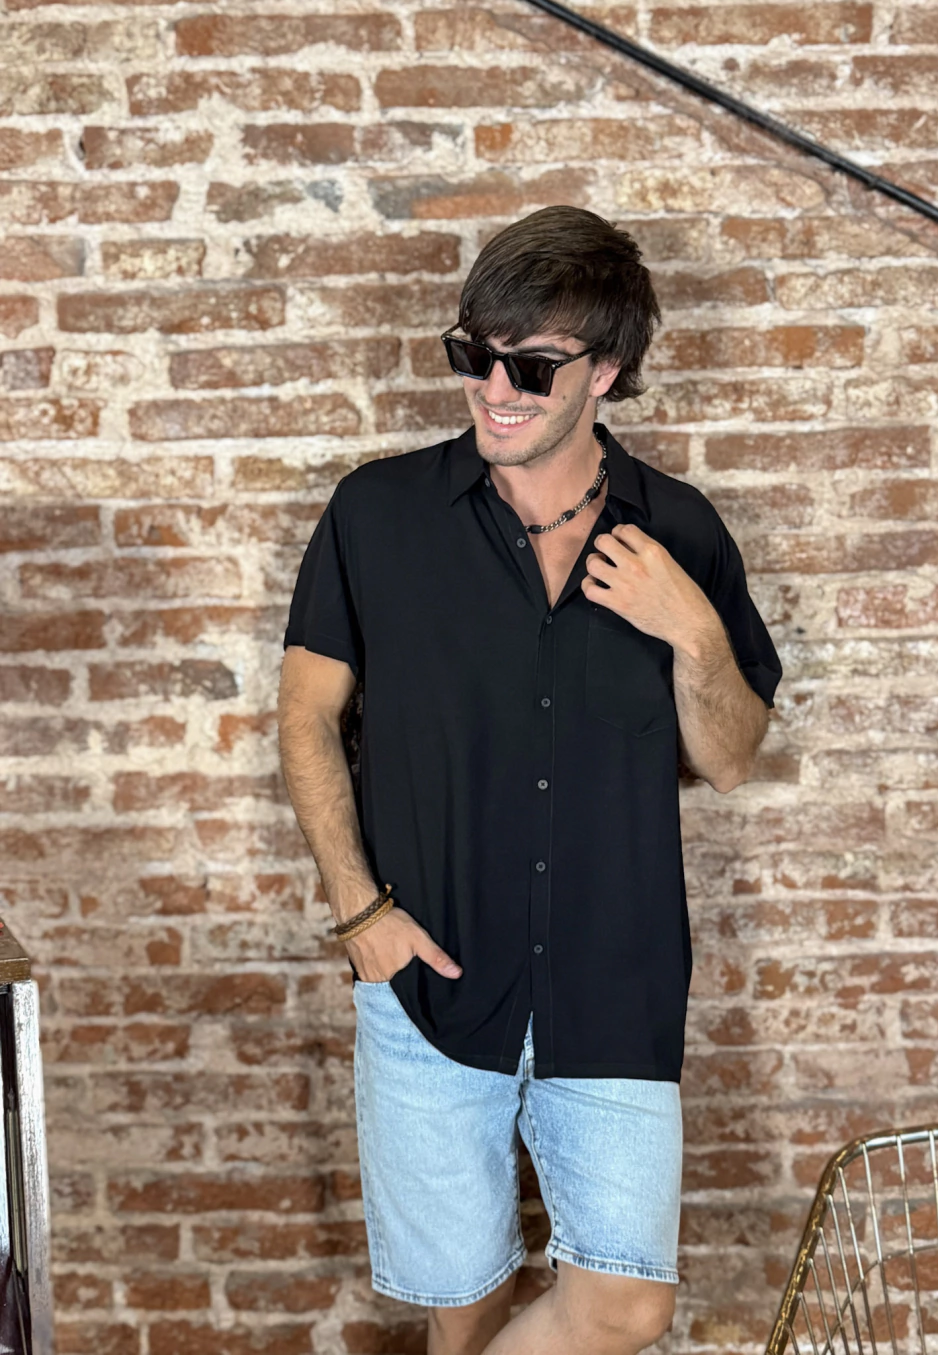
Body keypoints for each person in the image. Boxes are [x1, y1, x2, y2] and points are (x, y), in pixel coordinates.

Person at [278, 205, 783, 1355]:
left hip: (613, 984)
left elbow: (730, 756)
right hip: (425, 980)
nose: (494, 388)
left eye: (533, 365)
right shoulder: (377, 514)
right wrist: (360, 913)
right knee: (461, 1315)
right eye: (476, 354)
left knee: (625, 1305)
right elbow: (305, 716)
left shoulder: (680, 529)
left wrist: (692, 630)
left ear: (605, 372)